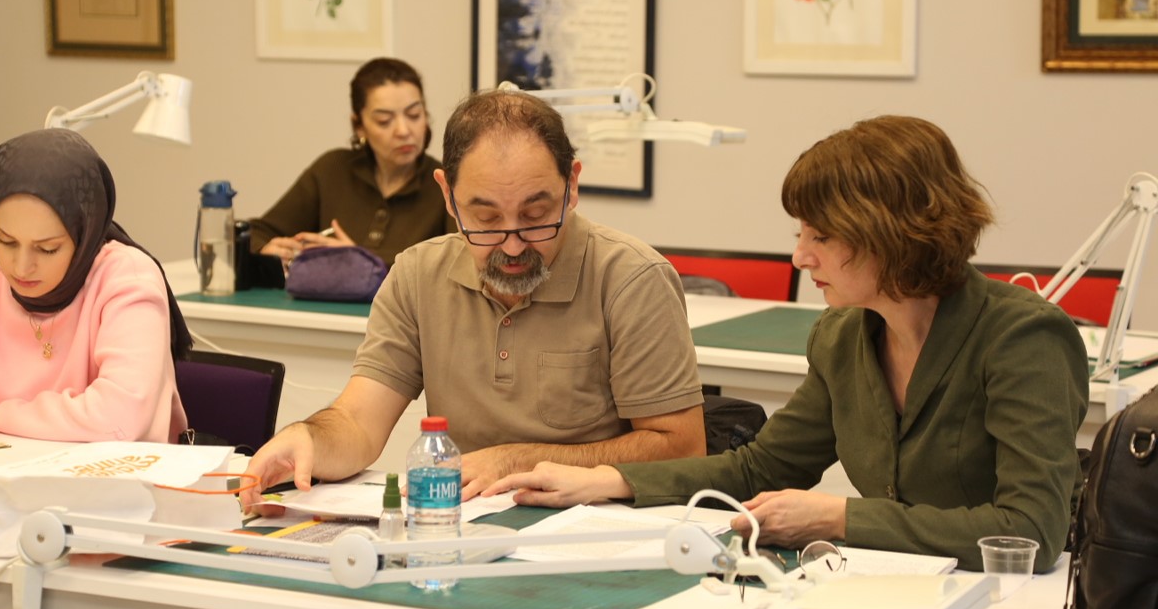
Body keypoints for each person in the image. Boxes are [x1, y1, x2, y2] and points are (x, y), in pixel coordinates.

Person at [488, 115, 1089, 573]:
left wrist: (839, 516)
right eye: (800, 233)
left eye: (822, 236)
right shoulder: (843, 336)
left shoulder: (1022, 339)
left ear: (893, 234)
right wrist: (614, 482)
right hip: (897, 587)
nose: (801, 256)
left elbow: (1030, 531)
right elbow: (762, 465)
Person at [242, 88, 706, 507]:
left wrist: (513, 461)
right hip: (466, 527)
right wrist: (308, 438)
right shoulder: (417, 275)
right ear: (447, 196)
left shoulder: (631, 279)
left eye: (536, 214)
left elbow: (682, 448)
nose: (513, 244)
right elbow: (358, 424)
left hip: (599, 531)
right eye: (484, 220)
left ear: (573, 186)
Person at [0, 128, 191, 443]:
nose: (21, 266)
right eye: (5, 240)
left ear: (86, 234)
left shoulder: (128, 281)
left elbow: (120, 418)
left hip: (110, 489)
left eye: (47, 248)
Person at [250, 57, 455, 269]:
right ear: (359, 126)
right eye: (384, 120)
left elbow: (455, 265)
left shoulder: (444, 184)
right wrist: (266, 250)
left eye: (414, 115)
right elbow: (256, 233)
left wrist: (361, 261)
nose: (403, 131)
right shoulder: (331, 170)